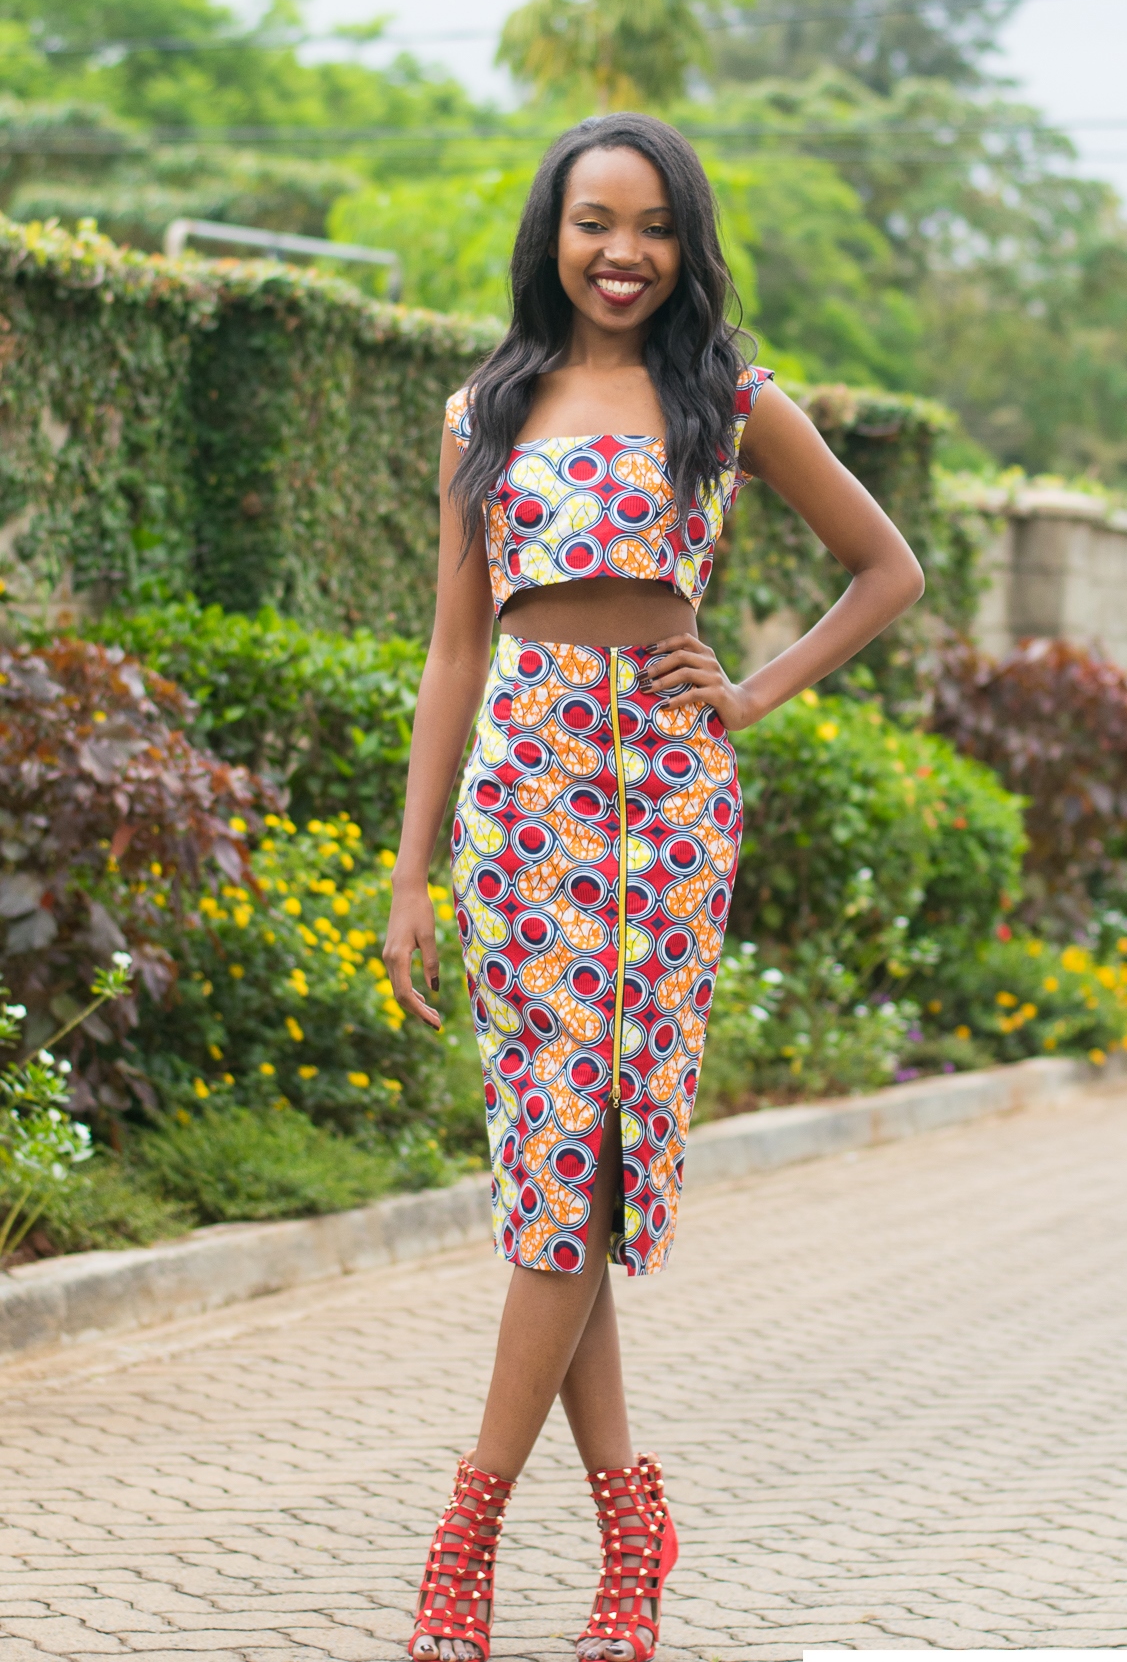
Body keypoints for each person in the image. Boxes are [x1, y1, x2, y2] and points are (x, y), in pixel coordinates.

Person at [383, 112, 925, 1662]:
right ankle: (602, 1523)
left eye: (651, 228)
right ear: (549, 237)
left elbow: (883, 566)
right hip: (526, 800)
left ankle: (494, 1530)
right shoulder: (482, 407)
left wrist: (748, 694)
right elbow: (453, 648)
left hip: (669, 810)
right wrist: (408, 871)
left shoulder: (728, 397)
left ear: (684, 243)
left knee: (591, 1168)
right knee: (560, 1168)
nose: (620, 253)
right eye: (591, 223)